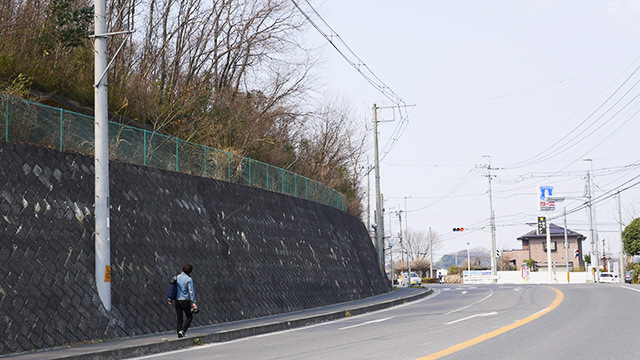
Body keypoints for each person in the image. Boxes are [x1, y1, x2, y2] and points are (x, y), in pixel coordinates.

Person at [168, 264, 198, 338]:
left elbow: (173, 288)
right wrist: (193, 302)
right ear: (190, 271)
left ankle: (179, 332)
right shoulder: (189, 279)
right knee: (189, 317)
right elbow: (191, 291)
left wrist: (170, 299)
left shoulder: (177, 277)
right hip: (185, 301)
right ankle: (183, 331)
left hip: (177, 301)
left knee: (179, 317)